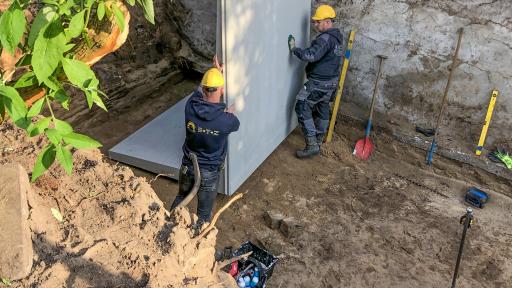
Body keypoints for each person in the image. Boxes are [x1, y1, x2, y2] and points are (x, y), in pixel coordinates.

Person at [170, 59, 239, 226]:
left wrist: (213, 73)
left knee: (181, 199)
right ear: (222, 90)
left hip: (188, 166)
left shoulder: (190, 105)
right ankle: (199, 238)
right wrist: (229, 112)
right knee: (204, 213)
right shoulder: (227, 121)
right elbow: (234, 125)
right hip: (209, 171)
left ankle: (168, 224)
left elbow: (199, 90)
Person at [288, 4, 343, 158]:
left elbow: (311, 56)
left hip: (319, 82)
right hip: (331, 83)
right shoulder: (337, 38)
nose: (315, 25)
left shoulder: (325, 39)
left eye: (318, 22)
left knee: (302, 105)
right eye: (314, 22)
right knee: (322, 107)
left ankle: (312, 145)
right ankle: (318, 139)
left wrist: (294, 49)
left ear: (327, 21)